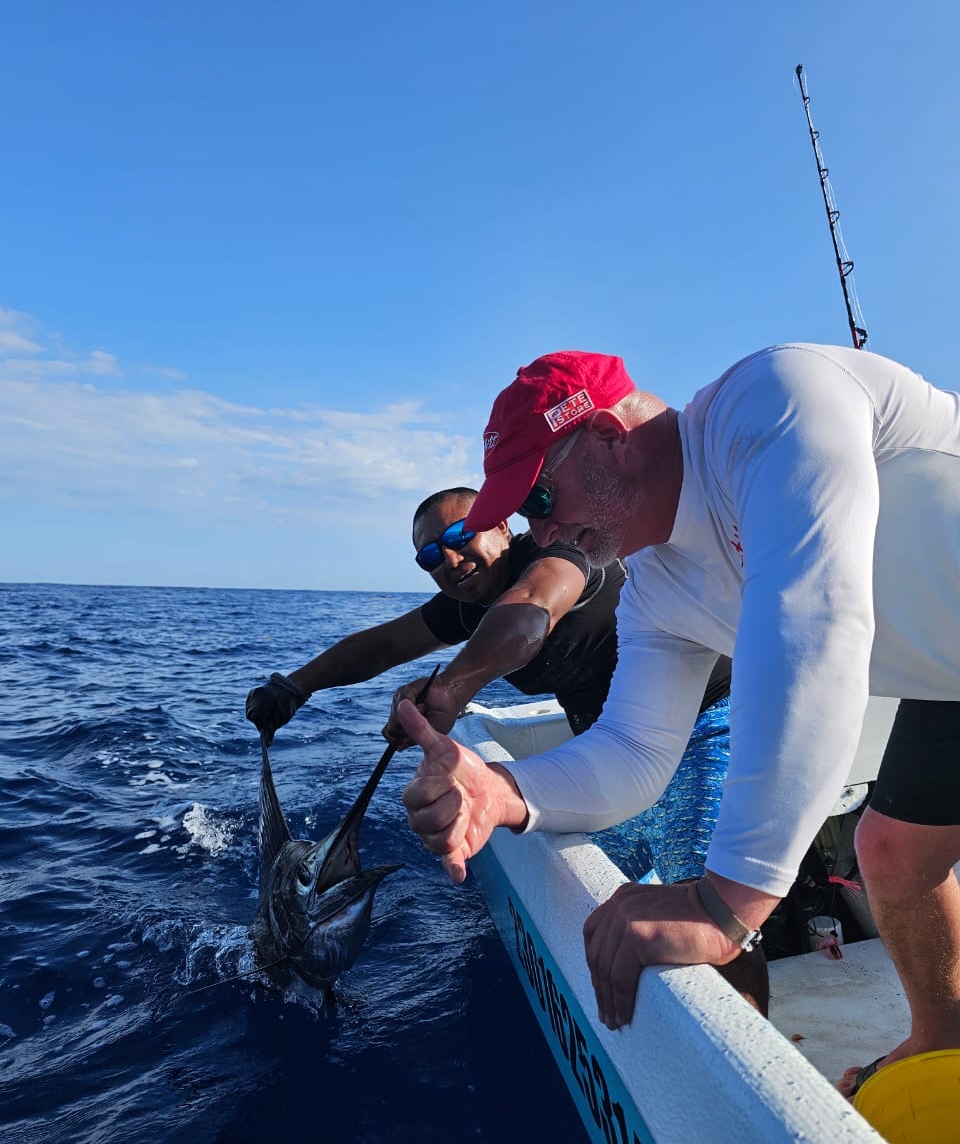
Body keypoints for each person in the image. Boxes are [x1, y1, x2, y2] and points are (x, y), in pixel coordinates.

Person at [395, 346, 960, 1094]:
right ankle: (943, 1044)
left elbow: (816, 628)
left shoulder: (770, 402)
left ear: (606, 437)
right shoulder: (654, 585)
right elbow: (634, 749)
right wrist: (504, 790)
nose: (540, 532)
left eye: (538, 500)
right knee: (890, 852)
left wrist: (727, 900)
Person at [245, 486, 626, 746]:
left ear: (501, 525)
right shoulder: (467, 603)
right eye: (430, 556)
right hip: (605, 735)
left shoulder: (559, 550)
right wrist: (294, 687)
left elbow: (532, 605)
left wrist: (450, 688)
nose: (451, 560)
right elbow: (384, 646)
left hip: (682, 710)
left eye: (460, 536)